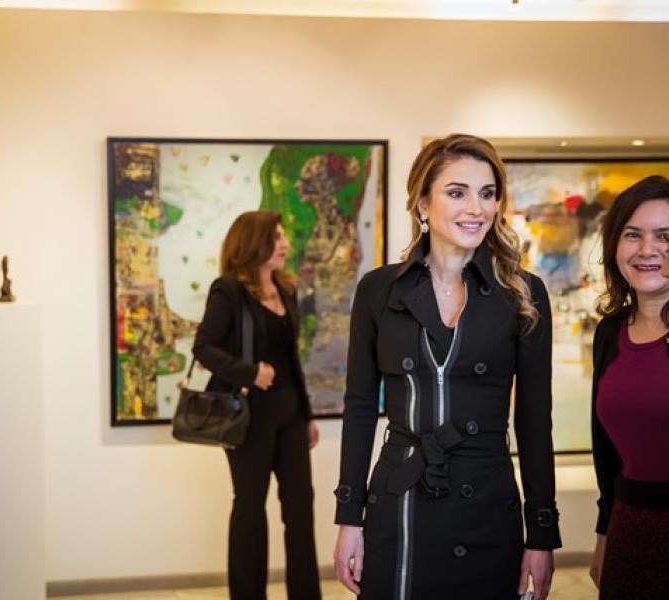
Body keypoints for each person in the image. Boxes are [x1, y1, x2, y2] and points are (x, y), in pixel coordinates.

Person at [333, 134, 561, 600]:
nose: (476, 208)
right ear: (422, 202)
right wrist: (349, 518)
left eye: (487, 193)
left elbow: (535, 421)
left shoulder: (524, 294)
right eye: (457, 192)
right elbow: (359, 408)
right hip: (400, 503)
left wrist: (541, 533)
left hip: (487, 505)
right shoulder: (379, 290)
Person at [193, 210, 322, 600]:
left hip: (291, 413)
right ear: (254, 242)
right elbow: (204, 347)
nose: (285, 244)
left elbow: (291, 358)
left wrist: (307, 414)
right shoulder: (229, 290)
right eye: (277, 237)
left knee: (300, 507)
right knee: (250, 509)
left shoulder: (286, 288)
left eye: (283, 236)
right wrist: (250, 373)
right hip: (249, 415)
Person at [587, 175, 669, 599]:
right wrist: (604, 532)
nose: (646, 250)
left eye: (665, 236)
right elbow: (605, 451)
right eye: (632, 234)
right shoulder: (610, 332)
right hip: (629, 528)